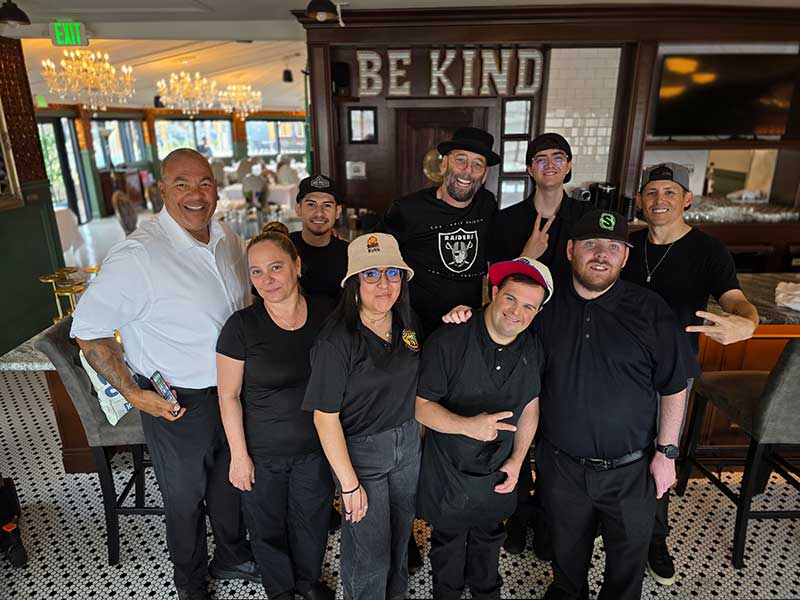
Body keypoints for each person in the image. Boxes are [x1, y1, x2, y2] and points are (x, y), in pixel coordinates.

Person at [71, 148, 257, 600]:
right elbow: (88, 333)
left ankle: (231, 557)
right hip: (179, 401)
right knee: (185, 498)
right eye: (182, 184)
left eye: (205, 183)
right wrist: (134, 395)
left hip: (231, 394)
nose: (196, 195)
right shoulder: (139, 254)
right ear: (161, 190)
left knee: (229, 484)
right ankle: (191, 584)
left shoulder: (226, 237)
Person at [532, 209, 697, 600]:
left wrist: (667, 453)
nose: (600, 254)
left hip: (632, 469)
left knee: (627, 569)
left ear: (624, 256)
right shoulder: (544, 309)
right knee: (566, 561)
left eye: (613, 247)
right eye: (590, 244)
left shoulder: (651, 309)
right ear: (571, 250)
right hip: (562, 465)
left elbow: (675, 385)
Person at [623, 162, 759, 586]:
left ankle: (654, 539)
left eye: (669, 192)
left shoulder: (708, 250)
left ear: (686, 199)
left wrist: (748, 322)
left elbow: (736, 302)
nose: (658, 200)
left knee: (660, 458)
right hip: (619, 369)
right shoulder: (626, 245)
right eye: (651, 193)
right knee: (617, 452)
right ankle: (604, 526)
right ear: (641, 201)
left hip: (672, 376)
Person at [416, 257, 553, 600]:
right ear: (494, 292)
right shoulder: (449, 339)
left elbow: (530, 408)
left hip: (498, 467)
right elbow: (419, 407)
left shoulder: (532, 348)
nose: (516, 312)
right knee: (447, 543)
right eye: (510, 298)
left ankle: (486, 593)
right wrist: (468, 426)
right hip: (449, 468)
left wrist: (518, 461)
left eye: (528, 306)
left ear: (537, 312)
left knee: (489, 539)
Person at [216, 222, 335, 600]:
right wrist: (239, 456)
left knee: (313, 522)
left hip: (316, 448)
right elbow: (229, 396)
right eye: (256, 271)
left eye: (276, 267)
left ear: (297, 265)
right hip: (263, 452)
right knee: (266, 527)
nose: (266, 279)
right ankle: (280, 591)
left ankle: (307, 582)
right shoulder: (240, 327)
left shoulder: (326, 313)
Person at [487, 132, 593, 556]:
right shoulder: (507, 220)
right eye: (541, 158)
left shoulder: (587, 219)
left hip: (570, 339)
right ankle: (516, 515)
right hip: (519, 340)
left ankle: (550, 520)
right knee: (516, 430)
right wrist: (528, 254)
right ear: (530, 169)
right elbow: (490, 291)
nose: (550, 164)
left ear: (568, 166)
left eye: (558, 158)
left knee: (557, 434)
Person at [303, 233, 421, 600]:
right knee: (369, 552)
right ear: (354, 283)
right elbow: (324, 418)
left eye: (392, 273)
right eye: (371, 274)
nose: (384, 284)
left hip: (408, 446)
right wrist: (349, 484)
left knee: (401, 540)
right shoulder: (336, 341)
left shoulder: (406, 321)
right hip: (362, 456)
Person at [382, 126, 501, 337]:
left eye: (477, 164)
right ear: (444, 163)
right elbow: (374, 250)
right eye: (461, 160)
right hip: (417, 329)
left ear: (484, 175)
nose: (467, 170)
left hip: (465, 328)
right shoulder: (408, 209)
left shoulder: (487, 203)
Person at [290, 175, 349, 302]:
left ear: (337, 211)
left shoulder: (349, 253)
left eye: (327, 205)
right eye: (311, 204)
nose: (319, 213)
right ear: (298, 209)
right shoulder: (283, 248)